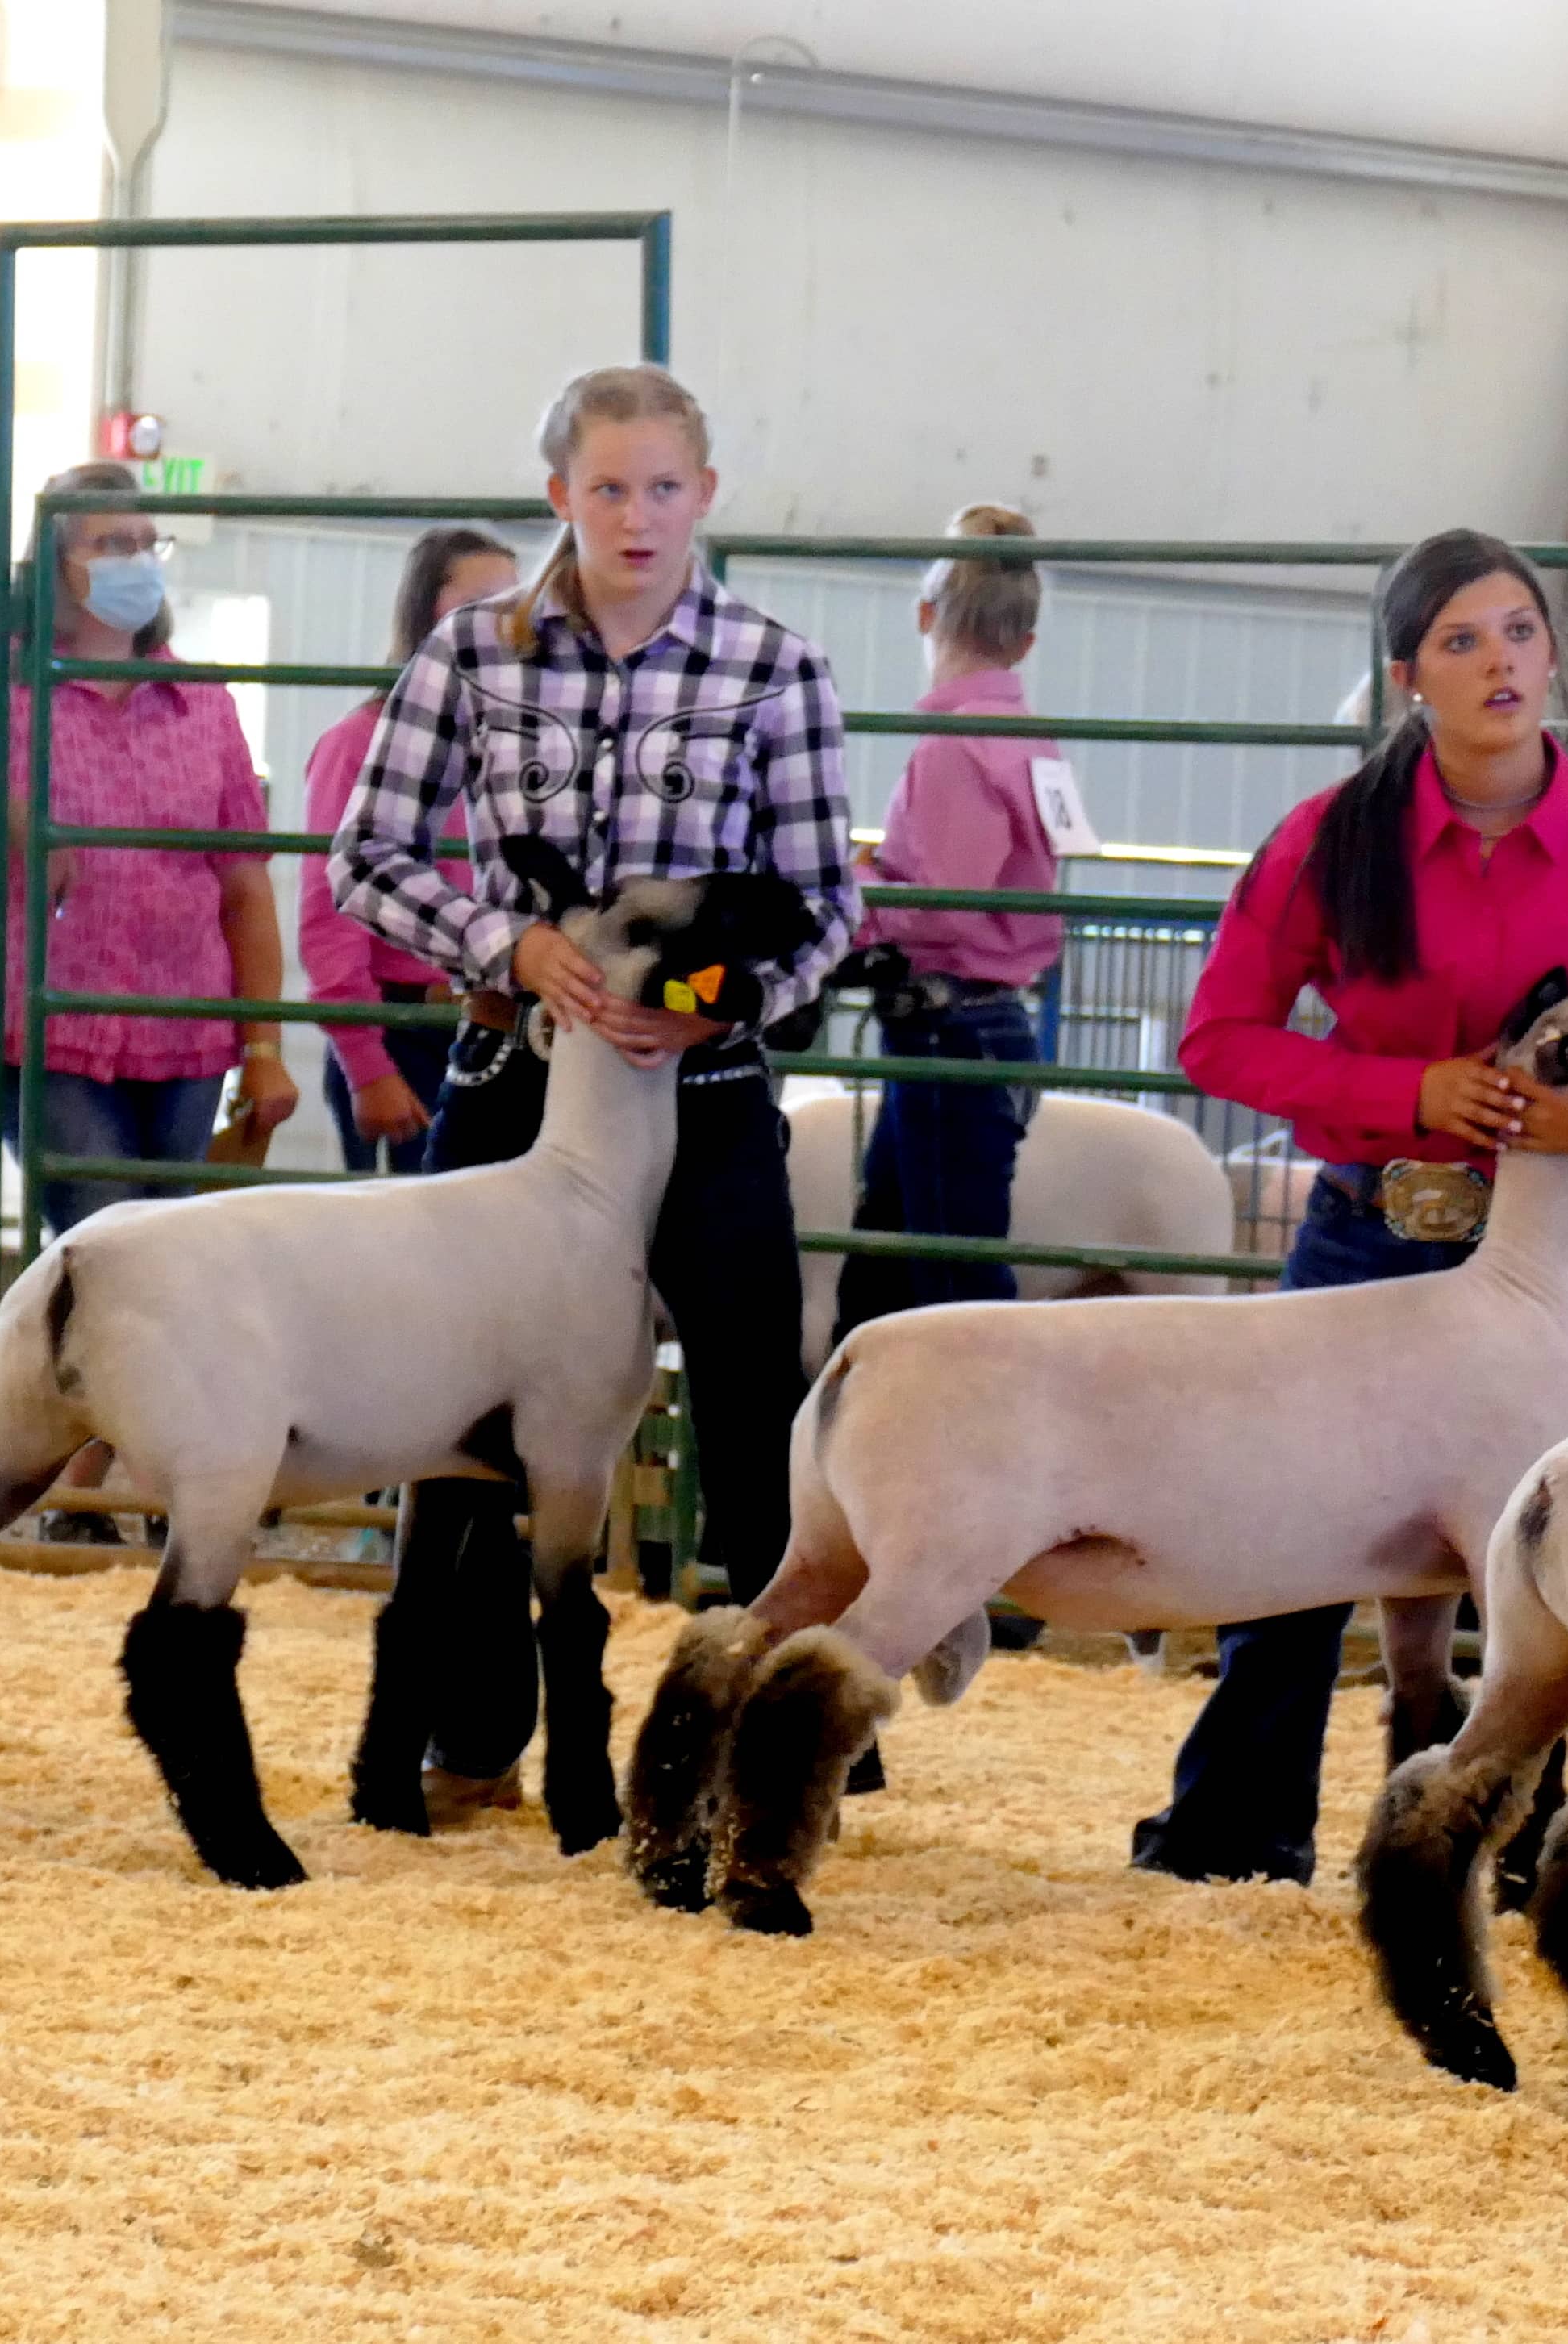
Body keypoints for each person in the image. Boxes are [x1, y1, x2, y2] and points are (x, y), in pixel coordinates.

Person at [1135, 528, 1568, 1928]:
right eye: (1459, 641)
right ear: (1406, 678)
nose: (1498, 662)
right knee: (1291, 1541)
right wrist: (1406, 1090)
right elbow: (1220, 1037)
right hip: (1375, 1232)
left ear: (1555, 651)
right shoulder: (1329, 842)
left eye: (1516, 632)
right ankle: (1233, 1839)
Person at [333, 362, 853, 1813]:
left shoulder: (774, 667)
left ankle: (772, 1742)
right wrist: (511, 940)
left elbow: (823, 902)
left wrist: (728, 1006)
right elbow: (365, 855)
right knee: (467, 1407)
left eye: (665, 486)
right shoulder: (471, 656)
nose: (637, 514)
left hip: (711, 1087)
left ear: (707, 495)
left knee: (754, 1389)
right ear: (558, 493)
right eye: (607, 486)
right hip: (517, 1077)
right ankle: (471, 1737)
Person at [0, 458, 298, 1232]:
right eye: (111, 543)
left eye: (149, 543)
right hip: (47, 1024)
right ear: (53, 566)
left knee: (166, 1242)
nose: (138, 562)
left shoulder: (201, 698)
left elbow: (244, 886)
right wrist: (12, 816)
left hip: (188, 1029)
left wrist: (263, 1046)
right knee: (102, 1228)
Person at [832, 503, 1061, 1341]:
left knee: (950, 1277)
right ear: (1027, 640)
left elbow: (940, 903)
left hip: (947, 1022)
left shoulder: (950, 742)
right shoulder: (1028, 737)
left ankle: (976, 1453)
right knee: (890, 1256)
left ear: (926, 614)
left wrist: (852, 896)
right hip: (984, 1021)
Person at [302, 526, 518, 1175]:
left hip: (502, 1022)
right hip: (405, 1027)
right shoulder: (360, 744)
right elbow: (330, 917)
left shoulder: (517, 747)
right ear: (431, 613)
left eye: (517, 603)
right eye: (483, 602)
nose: (506, 623)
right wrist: (368, 1065)